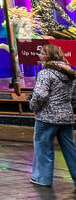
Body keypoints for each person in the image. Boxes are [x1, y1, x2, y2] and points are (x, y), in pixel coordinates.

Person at [27, 44, 76, 188]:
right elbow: (74, 97)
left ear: (49, 56)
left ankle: (42, 178)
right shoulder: (70, 73)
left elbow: (40, 95)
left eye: (42, 53)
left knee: (43, 145)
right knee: (69, 148)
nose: (39, 55)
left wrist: (33, 106)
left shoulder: (46, 73)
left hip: (47, 117)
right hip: (66, 116)